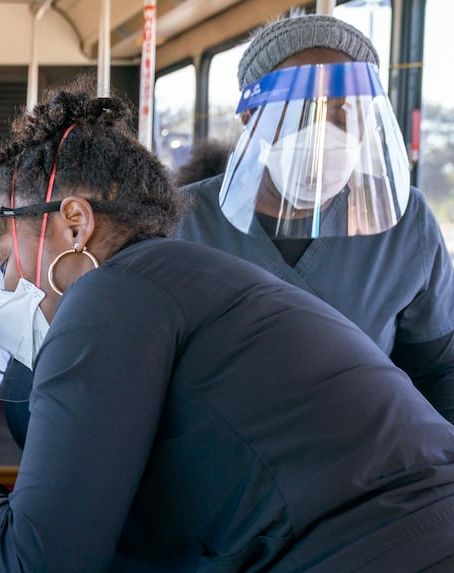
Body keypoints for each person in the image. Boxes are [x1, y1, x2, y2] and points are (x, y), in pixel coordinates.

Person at [0, 84, 454, 573]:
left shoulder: (109, 297)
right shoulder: (191, 278)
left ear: (74, 222)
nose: (10, 285)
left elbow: (43, 567)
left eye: (7, 256)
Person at [174, 12, 454, 423]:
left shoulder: (405, 223)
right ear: (251, 118)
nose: (324, 133)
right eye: (300, 110)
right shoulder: (182, 221)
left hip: (364, 469)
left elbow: (437, 370)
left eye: (345, 113)